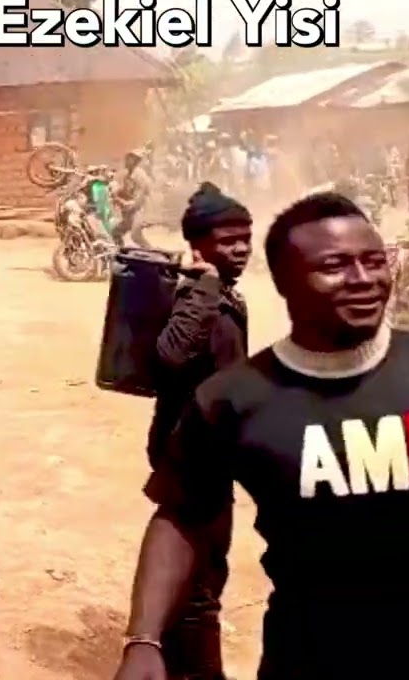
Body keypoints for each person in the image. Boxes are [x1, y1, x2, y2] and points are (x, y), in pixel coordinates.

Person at [113, 191, 409, 680]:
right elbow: (182, 516)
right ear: (285, 282)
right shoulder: (234, 400)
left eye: (374, 260)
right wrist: (144, 639)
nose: (364, 279)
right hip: (308, 657)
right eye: (335, 266)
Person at [143, 182, 252, 680]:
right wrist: (205, 286)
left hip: (212, 455)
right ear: (199, 246)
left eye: (246, 238)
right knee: (199, 585)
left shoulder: (227, 296)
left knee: (207, 573)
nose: (242, 248)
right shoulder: (197, 295)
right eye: (229, 240)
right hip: (189, 457)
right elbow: (171, 354)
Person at [113, 149, 152, 247]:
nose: (125, 161)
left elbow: (139, 199)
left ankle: (154, 254)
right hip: (130, 214)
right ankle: (120, 252)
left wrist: (123, 203)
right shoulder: (128, 175)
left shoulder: (140, 175)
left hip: (138, 212)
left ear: (134, 160)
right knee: (115, 233)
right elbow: (126, 191)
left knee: (136, 236)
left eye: (128, 158)